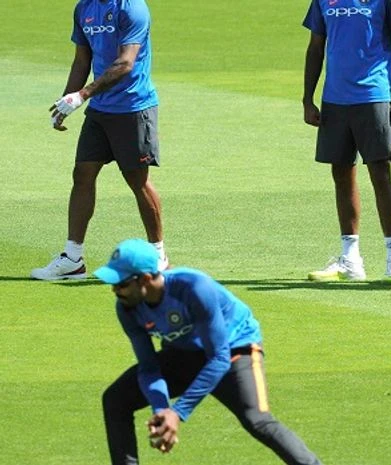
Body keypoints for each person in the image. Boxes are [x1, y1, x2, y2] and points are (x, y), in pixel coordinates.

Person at [94, 239, 324, 465]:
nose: (115, 290)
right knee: (116, 399)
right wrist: (162, 409)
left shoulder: (194, 287)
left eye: (121, 284)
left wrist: (178, 412)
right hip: (184, 352)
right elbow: (149, 367)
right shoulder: (127, 308)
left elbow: (219, 357)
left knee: (257, 419)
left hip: (235, 349)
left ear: (145, 278)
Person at [32, 0, 167, 281]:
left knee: (137, 180)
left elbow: (126, 63)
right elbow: (83, 60)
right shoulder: (84, 8)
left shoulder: (132, 8)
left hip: (133, 108)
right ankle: (73, 258)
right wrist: (65, 102)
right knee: (82, 174)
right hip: (100, 111)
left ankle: (158, 256)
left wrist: (82, 95)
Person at [302, 0, 391, 285]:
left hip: (373, 95)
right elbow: (316, 46)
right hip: (335, 99)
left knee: (380, 173)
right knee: (341, 174)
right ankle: (350, 259)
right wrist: (307, 98)